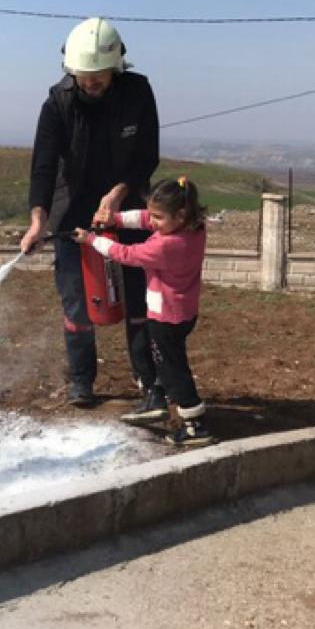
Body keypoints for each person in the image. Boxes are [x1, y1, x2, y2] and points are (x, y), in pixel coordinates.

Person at [20, 16, 161, 410]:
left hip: (128, 206)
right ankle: (82, 380)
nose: (92, 82)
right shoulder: (57, 103)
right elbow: (43, 167)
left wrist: (118, 193)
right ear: (72, 71)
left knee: (137, 297)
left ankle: (148, 378)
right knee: (76, 301)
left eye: (99, 75)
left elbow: (147, 154)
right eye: (84, 76)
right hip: (72, 213)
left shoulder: (138, 93)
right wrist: (38, 220)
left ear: (116, 68)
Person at [74, 176, 213, 446]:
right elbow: (146, 219)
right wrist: (115, 219)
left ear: (180, 214)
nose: (153, 221)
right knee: (169, 360)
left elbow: (126, 254)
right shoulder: (193, 227)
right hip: (184, 311)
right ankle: (159, 394)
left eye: (159, 217)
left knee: (173, 367)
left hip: (166, 316)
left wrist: (91, 240)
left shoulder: (166, 245)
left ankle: (195, 424)